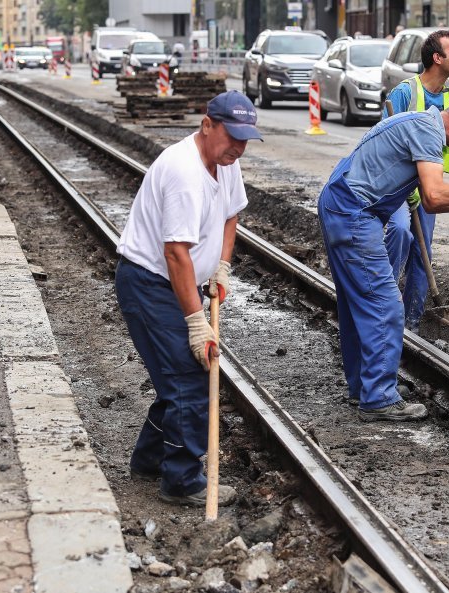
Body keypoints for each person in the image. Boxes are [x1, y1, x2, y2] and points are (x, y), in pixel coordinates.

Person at [318, 93, 449, 422]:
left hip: (341, 204)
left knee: (357, 303)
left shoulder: (419, 122)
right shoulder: (429, 133)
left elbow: (431, 203)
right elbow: (434, 194)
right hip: (355, 213)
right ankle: (377, 398)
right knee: (385, 305)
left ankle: (364, 388)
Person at [115, 91, 262, 506]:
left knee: (176, 376)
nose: (238, 147)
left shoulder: (226, 161)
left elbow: (231, 214)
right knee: (190, 374)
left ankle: (149, 460)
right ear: (207, 124)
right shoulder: (183, 172)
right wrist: (197, 324)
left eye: (245, 139)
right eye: (232, 136)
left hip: (173, 280)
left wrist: (221, 265)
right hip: (148, 282)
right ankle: (181, 480)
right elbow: (175, 253)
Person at [383, 29, 449, 331]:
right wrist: (404, 188)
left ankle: (412, 324)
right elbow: (385, 140)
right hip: (396, 186)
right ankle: (383, 307)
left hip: (429, 185)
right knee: (401, 232)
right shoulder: (405, 92)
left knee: (423, 251)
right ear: (436, 58)